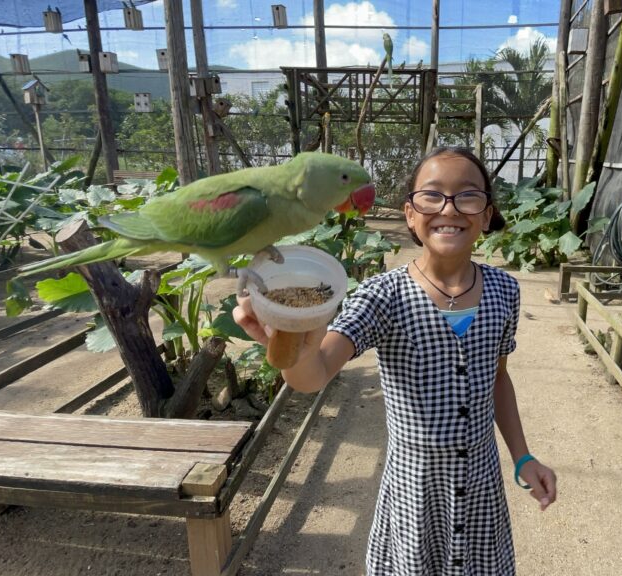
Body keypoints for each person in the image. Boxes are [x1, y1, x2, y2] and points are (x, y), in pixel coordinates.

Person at [232, 146, 557, 575]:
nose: (449, 208)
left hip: (481, 488)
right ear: (409, 213)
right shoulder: (382, 296)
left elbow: (498, 380)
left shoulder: (504, 291)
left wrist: (522, 457)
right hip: (412, 493)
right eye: (432, 195)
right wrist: (292, 340)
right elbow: (316, 373)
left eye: (468, 196)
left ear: (485, 214)